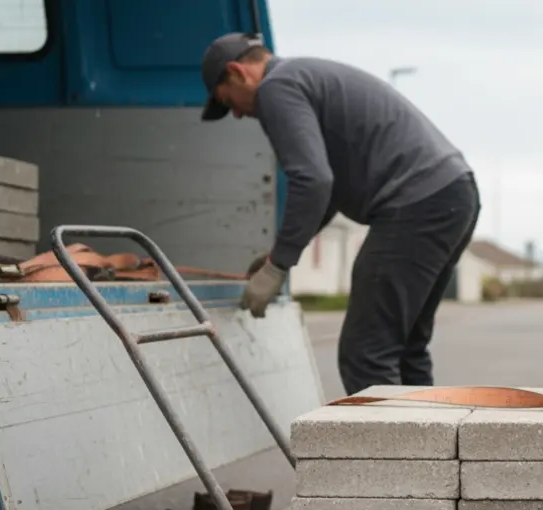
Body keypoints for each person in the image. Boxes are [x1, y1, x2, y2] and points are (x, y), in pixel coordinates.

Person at [202, 31, 480, 396]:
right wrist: (278, 256)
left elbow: (313, 181)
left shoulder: (277, 88)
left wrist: (279, 265)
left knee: (366, 353)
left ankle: (390, 454)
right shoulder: (304, 77)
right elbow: (326, 188)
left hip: (416, 204)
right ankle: (424, 452)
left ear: (238, 73)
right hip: (453, 194)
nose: (237, 114)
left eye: (228, 101)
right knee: (405, 348)